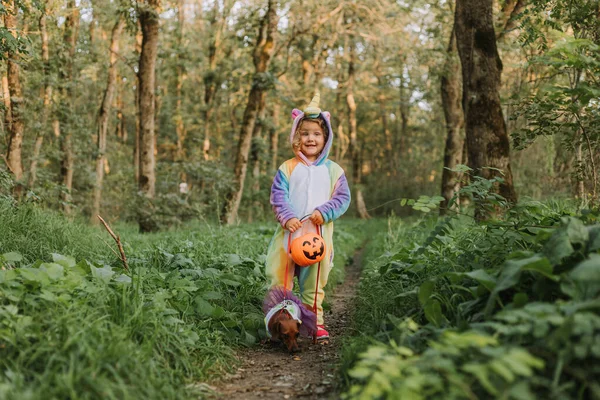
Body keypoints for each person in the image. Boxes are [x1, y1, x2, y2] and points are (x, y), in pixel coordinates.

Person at [265, 92, 351, 340]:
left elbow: (342, 199)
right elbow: (278, 195)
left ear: (326, 138)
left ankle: (314, 322)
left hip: (317, 237)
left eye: (316, 134)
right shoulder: (288, 167)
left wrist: (324, 211)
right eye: (305, 134)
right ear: (296, 138)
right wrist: (287, 216)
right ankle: (281, 324)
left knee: (313, 284)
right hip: (288, 235)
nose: (310, 138)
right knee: (280, 279)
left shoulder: (334, 170)